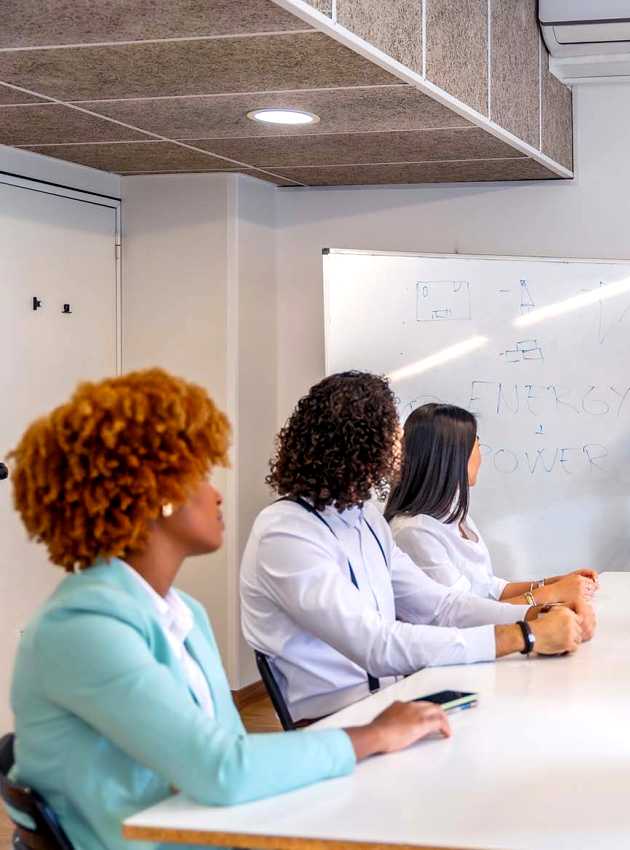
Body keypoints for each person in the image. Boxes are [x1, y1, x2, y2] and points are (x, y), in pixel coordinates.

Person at [8, 368, 453, 850]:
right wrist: (375, 735)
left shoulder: (185, 614)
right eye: (198, 476)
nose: (216, 493)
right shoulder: (81, 631)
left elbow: (227, 757)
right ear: (151, 493)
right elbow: (224, 769)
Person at [240, 372, 594, 724]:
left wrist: (534, 615)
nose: (400, 447)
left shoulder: (366, 520)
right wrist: (525, 636)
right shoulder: (285, 533)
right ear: (363, 444)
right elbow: (376, 644)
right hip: (338, 721)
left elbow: (440, 606)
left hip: (397, 698)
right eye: (393, 434)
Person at [385, 403, 599, 606]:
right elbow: (462, 611)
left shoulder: (452, 513)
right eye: (476, 442)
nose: (481, 454)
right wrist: (550, 594)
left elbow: (488, 588)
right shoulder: (414, 532)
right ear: (454, 457)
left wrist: (554, 583)